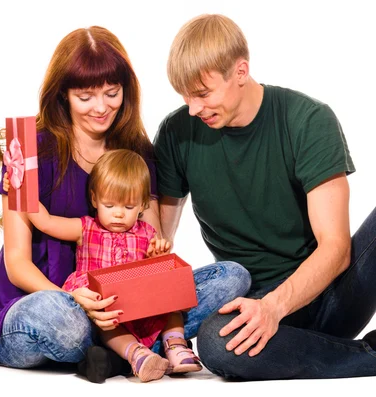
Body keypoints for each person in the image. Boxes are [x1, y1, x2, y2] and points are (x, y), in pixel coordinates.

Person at [0, 25, 251, 384]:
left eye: (112, 93)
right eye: (86, 96)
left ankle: (119, 352)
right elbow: (17, 264)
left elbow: (149, 242)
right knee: (63, 320)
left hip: (122, 307)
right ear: (63, 94)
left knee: (231, 277)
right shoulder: (28, 149)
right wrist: (74, 299)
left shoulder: (136, 153)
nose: (101, 107)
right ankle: (133, 351)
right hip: (47, 303)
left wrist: (158, 254)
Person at [154, 13, 376, 380]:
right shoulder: (178, 133)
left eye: (203, 93)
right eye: (184, 96)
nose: (193, 108)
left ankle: (311, 346)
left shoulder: (307, 120)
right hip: (250, 301)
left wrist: (274, 308)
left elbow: (336, 250)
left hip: (331, 293)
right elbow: (156, 242)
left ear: (240, 72)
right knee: (213, 343)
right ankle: (361, 356)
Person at [6, 149, 202, 382]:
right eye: (109, 205)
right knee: (107, 324)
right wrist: (23, 192)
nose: (118, 214)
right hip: (107, 306)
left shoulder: (146, 232)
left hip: (139, 303)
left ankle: (176, 345)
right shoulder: (86, 228)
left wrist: (155, 254)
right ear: (94, 199)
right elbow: (46, 223)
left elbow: (154, 273)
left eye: (128, 207)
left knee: (172, 302)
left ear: (141, 205)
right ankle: (137, 355)